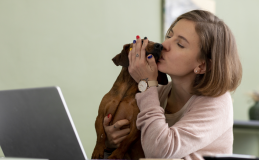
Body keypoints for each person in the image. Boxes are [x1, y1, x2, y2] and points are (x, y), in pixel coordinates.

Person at [103, 10, 242, 160]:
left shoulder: (217, 102)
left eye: (180, 44)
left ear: (202, 66)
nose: (163, 45)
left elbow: (158, 151)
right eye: (169, 35)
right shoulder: (157, 94)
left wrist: (147, 84)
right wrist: (112, 143)